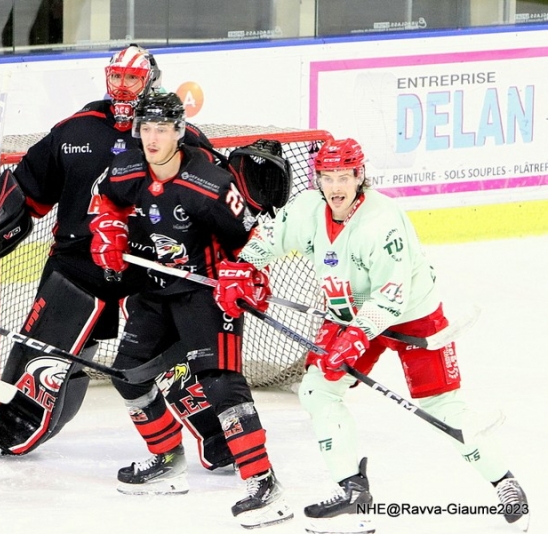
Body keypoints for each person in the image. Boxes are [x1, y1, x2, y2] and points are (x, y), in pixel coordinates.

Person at [215, 138, 530, 533]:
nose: (334, 187)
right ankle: (353, 492)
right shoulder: (309, 209)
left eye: (343, 176)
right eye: (326, 177)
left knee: (443, 408)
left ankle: (505, 482)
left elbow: (390, 297)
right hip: (347, 312)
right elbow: (268, 240)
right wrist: (242, 269)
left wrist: (353, 338)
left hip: (411, 316)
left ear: (360, 176)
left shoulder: (382, 223)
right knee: (317, 389)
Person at [0, 44, 234, 472]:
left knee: (172, 360)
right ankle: (13, 425)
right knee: (42, 358)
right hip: (79, 265)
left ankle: (220, 437)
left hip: (150, 271)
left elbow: (215, 199)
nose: (123, 86)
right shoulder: (76, 129)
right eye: (117, 77)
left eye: (132, 78)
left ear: (150, 79)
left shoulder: (174, 133)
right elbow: (29, 191)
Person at [88, 91, 292, 529]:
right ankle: (167, 459)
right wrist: (108, 230)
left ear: (180, 132)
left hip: (207, 294)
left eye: (162, 128)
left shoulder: (210, 183)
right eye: (146, 128)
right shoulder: (126, 168)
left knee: (220, 385)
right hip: (156, 290)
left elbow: (254, 241)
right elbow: (106, 202)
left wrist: (249, 277)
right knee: (128, 374)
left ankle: (262, 481)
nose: (153, 137)